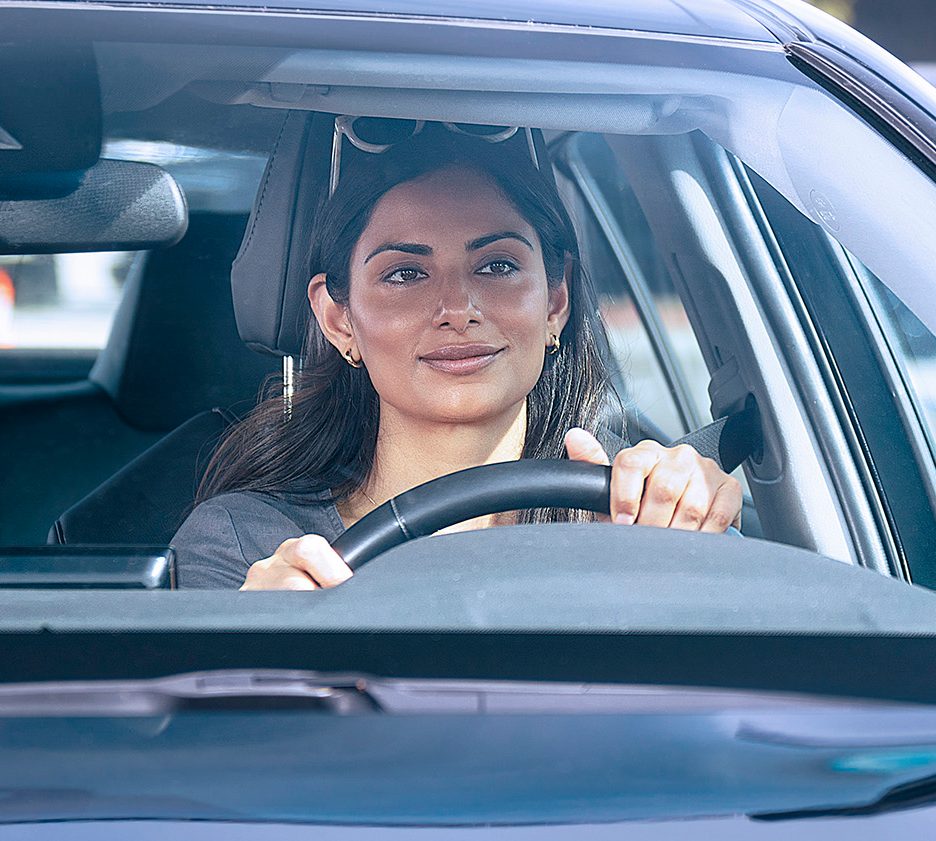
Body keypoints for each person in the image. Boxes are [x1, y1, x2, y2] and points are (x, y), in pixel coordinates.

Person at [172, 120, 742, 590]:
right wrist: (249, 647)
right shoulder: (244, 547)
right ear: (338, 319)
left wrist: (683, 545)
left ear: (556, 301)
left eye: (497, 266)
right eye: (405, 273)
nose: (457, 308)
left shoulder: (645, 515)